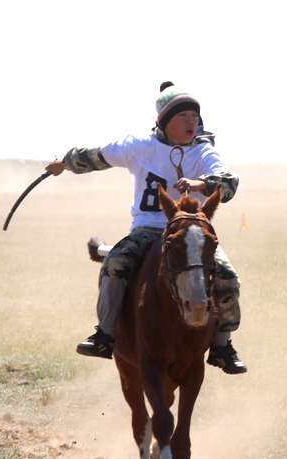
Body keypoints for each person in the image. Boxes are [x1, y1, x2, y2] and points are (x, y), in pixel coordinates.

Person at [45, 82, 247, 374]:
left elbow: (228, 181)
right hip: (148, 229)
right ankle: (105, 334)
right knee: (114, 264)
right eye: (183, 116)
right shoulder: (138, 146)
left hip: (192, 235)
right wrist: (64, 162)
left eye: (194, 116)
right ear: (165, 122)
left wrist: (202, 183)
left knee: (228, 277)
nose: (192, 121)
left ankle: (222, 345)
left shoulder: (203, 152)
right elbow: (96, 155)